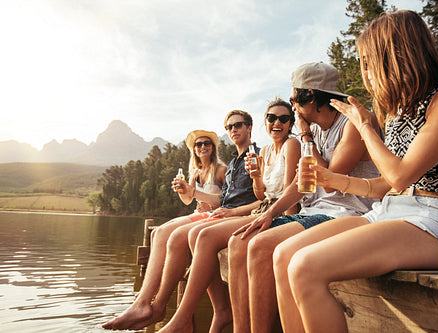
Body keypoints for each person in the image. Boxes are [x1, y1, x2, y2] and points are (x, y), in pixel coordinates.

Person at [273, 10, 438, 333]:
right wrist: (334, 180)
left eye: (368, 62)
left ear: (397, 55)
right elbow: (387, 185)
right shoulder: (399, 111)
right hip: (390, 211)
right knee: (284, 255)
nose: (366, 73)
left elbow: (401, 175)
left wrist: (365, 127)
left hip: (436, 221)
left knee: (304, 267)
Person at [228, 62, 380, 333]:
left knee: (260, 246)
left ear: (310, 95)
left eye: (294, 99)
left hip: (347, 214)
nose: (293, 106)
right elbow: (301, 183)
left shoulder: (351, 124)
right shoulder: (318, 129)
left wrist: (306, 134)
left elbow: (332, 180)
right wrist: (269, 213)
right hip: (315, 211)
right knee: (242, 239)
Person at [102, 111, 260, 331]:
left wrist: (200, 196)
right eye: (229, 126)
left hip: (232, 216)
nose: (233, 129)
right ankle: (149, 303)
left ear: (250, 127)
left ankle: (161, 309)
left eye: (238, 125)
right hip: (221, 214)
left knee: (180, 235)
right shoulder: (233, 164)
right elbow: (214, 200)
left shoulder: (244, 161)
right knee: (159, 233)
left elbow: (260, 197)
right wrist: (187, 191)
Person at [157, 98, 301, 333]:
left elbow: (288, 194)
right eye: (272, 118)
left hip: (272, 213)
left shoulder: (288, 145)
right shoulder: (258, 154)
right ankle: (217, 313)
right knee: (185, 235)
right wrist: (255, 178)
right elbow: (262, 193)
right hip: (259, 210)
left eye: (283, 119)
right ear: (265, 122)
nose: (277, 123)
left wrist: (287, 223)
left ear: (249, 127)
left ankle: (186, 316)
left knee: (202, 236)